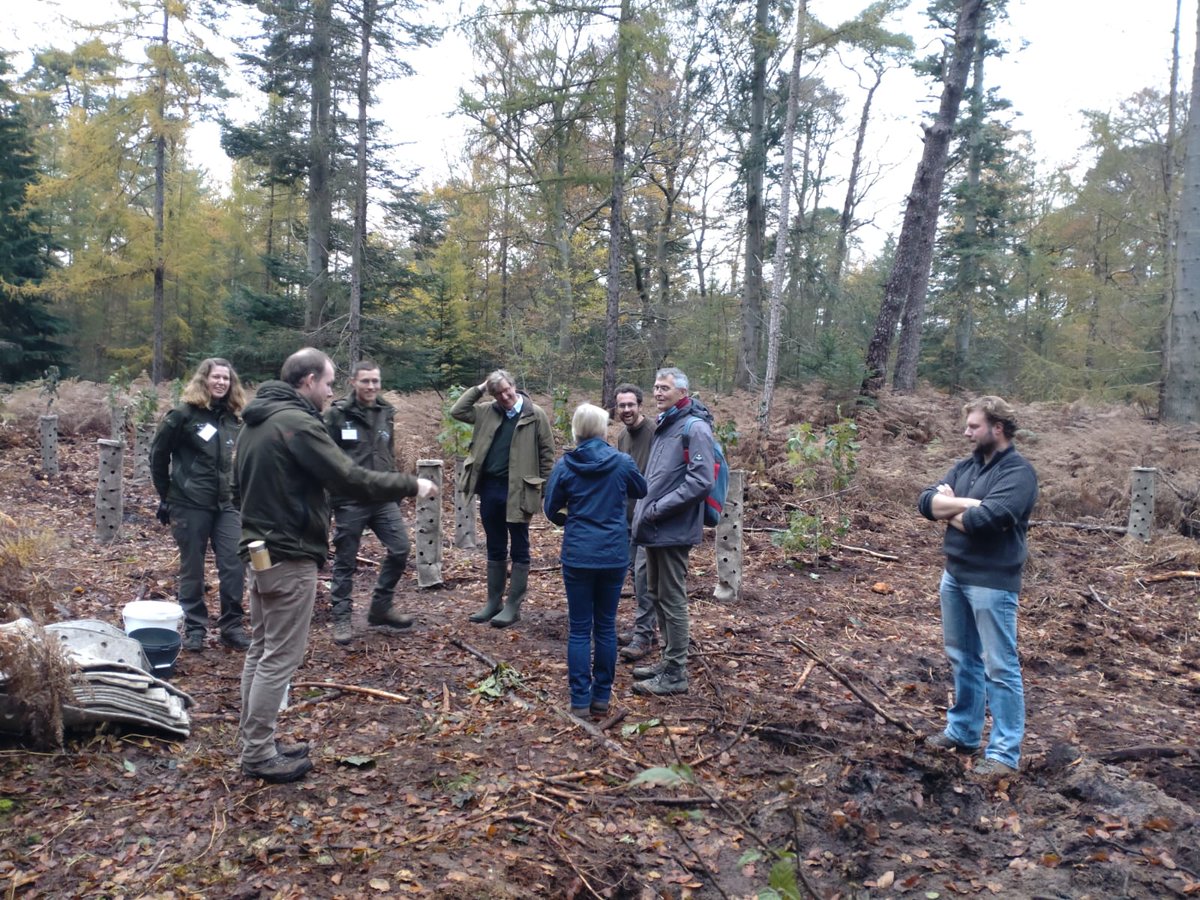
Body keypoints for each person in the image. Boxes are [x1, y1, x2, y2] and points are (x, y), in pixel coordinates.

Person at [235, 348, 438, 783]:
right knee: (279, 657)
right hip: (288, 554)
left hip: (259, 551)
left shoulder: (256, 423)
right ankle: (257, 753)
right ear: (307, 380)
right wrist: (410, 484)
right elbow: (349, 477)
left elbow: (238, 490)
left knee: (261, 647)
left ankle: (256, 741)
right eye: (328, 382)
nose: (331, 391)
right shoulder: (296, 423)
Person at [917, 395, 1038, 778]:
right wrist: (969, 504)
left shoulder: (1018, 474)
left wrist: (952, 508)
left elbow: (986, 522)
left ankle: (1003, 754)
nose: (966, 432)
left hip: (992, 581)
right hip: (955, 575)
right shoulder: (966, 467)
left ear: (997, 428)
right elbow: (924, 502)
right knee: (961, 657)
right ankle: (964, 732)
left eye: (974, 426)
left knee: (999, 666)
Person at [544, 403, 647, 717]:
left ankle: (579, 700)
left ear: (577, 430)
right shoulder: (622, 462)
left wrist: (571, 522)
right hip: (613, 554)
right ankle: (601, 696)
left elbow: (550, 509)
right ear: (602, 430)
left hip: (578, 554)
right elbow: (641, 490)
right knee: (604, 627)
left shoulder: (566, 465)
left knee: (578, 629)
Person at [150, 358, 249, 653]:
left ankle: (231, 626)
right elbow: (158, 455)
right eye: (215, 377)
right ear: (203, 380)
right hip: (189, 502)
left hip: (226, 504)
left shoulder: (234, 418)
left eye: (226, 379)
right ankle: (195, 627)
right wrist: (167, 495)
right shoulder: (183, 415)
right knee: (192, 568)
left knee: (234, 564)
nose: (221, 383)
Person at [629, 367, 715, 697]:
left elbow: (700, 480)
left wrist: (656, 508)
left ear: (682, 391)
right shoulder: (668, 424)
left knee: (673, 598)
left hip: (672, 528)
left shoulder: (694, 427)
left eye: (664, 387)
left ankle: (676, 672)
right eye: (655, 387)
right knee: (657, 594)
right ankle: (667, 661)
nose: (658, 393)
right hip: (655, 527)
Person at [450, 369, 554, 628]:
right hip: (490, 488)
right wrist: (481, 387)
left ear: (514, 387)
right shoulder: (487, 411)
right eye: (498, 393)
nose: (504, 396)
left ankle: (513, 606)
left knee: (519, 545)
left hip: (520, 489)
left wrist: (545, 491)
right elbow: (457, 411)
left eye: (507, 390)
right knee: (495, 544)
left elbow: (547, 455)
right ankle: (493, 602)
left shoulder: (534, 414)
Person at [324, 361, 416, 645]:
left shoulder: (385, 412)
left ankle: (380, 607)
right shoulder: (337, 416)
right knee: (345, 561)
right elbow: (325, 460)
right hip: (350, 501)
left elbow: (387, 452)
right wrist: (329, 501)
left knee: (400, 549)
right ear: (353, 382)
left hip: (382, 498)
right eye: (365, 381)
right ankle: (341, 618)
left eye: (375, 381)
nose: (371, 386)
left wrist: (393, 487)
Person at [614, 383, 658, 662]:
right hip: (627, 518)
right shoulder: (621, 438)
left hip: (651, 518)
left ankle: (644, 636)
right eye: (622, 406)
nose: (627, 410)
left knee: (644, 577)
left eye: (631, 405)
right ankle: (644, 628)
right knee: (633, 573)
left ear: (640, 405)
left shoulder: (655, 433)